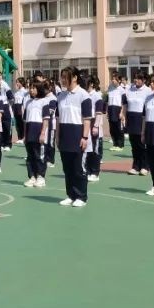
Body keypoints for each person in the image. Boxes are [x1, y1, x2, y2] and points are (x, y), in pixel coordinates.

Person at [55, 67, 93, 207]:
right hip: (65, 133)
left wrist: (85, 137)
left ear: (75, 77)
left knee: (78, 168)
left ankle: (81, 196)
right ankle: (70, 195)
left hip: (78, 134)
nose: (63, 80)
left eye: (66, 77)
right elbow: (58, 118)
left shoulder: (83, 96)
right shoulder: (61, 96)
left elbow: (87, 119)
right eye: (62, 77)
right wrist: (57, 136)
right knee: (67, 168)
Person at [123, 72, 150, 177]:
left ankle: (145, 166)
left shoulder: (148, 91)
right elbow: (125, 105)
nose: (136, 80)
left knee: (142, 144)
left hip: (142, 119)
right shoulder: (129, 90)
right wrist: (123, 115)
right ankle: (135, 166)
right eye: (135, 78)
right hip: (131, 119)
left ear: (144, 80)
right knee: (133, 144)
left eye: (139, 79)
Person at [23, 82, 47, 188]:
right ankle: (32, 176)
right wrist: (24, 135)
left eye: (34, 88)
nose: (31, 90)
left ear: (39, 89)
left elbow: (46, 119)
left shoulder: (44, 101)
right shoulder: (28, 102)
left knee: (39, 155)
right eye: (30, 88)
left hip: (38, 129)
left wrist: (42, 133)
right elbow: (25, 120)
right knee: (30, 156)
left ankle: (41, 177)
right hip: (29, 130)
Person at [86, 75, 104, 182]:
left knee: (95, 149)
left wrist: (96, 126)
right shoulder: (84, 95)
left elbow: (99, 112)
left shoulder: (97, 96)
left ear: (91, 84)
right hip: (86, 123)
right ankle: (88, 170)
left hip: (94, 123)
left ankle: (95, 172)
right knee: (87, 149)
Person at [106, 72, 126, 152]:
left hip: (118, 110)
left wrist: (122, 113)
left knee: (119, 129)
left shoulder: (122, 90)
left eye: (115, 79)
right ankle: (115, 144)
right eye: (112, 79)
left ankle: (120, 145)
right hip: (111, 110)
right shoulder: (110, 88)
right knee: (112, 129)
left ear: (119, 81)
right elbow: (107, 101)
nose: (113, 80)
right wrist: (107, 111)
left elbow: (124, 103)